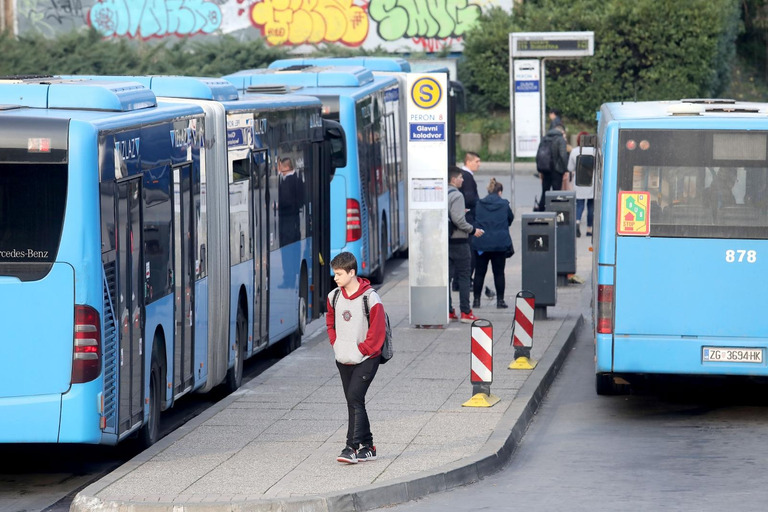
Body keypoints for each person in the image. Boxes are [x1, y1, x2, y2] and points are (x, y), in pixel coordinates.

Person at [326, 251, 386, 464]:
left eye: (339, 274)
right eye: (335, 274)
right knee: (355, 401)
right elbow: (330, 323)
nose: (335, 278)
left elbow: (378, 333)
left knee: (354, 398)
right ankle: (368, 447)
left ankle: (350, 448)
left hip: (367, 358)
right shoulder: (333, 296)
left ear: (352, 272)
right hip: (343, 357)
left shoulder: (371, 298)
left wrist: (361, 349)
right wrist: (336, 343)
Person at [455, 152, 495, 299]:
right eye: (477, 161)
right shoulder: (467, 176)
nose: (479, 164)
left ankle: (458, 281)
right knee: (470, 250)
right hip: (468, 217)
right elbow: (471, 198)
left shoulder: (464, 175)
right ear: (469, 161)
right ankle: (463, 280)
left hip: (464, 216)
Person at [448, 166, 484, 323]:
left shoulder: (443, 193)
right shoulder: (457, 195)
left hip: (446, 241)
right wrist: (472, 229)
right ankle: (465, 311)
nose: (463, 180)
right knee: (464, 276)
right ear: (453, 179)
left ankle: (448, 310)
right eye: (460, 177)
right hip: (459, 241)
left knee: (447, 277)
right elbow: (458, 220)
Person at [471, 178, 514, 309]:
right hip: (499, 245)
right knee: (499, 273)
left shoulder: (479, 203)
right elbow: (510, 219)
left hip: (481, 243)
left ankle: (476, 301)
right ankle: (500, 301)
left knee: (479, 273)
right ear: (500, 192)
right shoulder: (504, 204)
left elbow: (473, 218)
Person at [567, 132, 596, 237]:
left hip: (579, 182)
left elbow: (570, 168)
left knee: (579, 205)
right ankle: (589, 229)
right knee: (591, 207)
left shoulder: (574, 151)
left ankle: (577, 222)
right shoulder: (595, 151)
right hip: (591, 182)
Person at [537, 124, 568, 205]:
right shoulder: (560, 139)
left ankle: (541, 209)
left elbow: (538, 154)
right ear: (562, 131)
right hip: (557, 170)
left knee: (545, 191)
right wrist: (565, 169)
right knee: (556, 192)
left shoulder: (544, 138)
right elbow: (563, 155)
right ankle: (555, 210)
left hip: (545, 168)